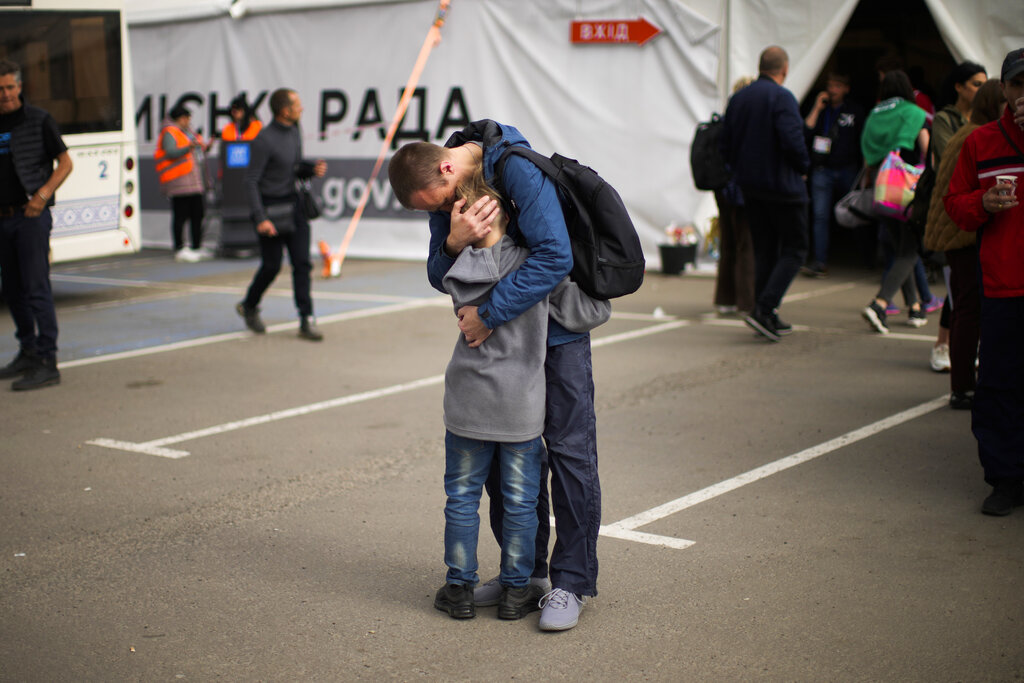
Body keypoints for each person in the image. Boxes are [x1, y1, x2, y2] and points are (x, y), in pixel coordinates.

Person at [388, 118, 601, 631]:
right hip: (504, 341)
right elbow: (439, 275)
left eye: (438, 205)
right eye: (435, 212)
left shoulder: (518, 169)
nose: (442, 213)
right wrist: (454, 241)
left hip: (556, 334)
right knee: (509, 459)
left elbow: (555, 256)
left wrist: (489, 312)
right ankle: (523, 576)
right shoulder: (444, 189)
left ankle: (570, 583)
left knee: (569, 453)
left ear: (446, 167)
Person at [432, 166, 609, 621]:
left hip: (467, 404)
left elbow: (442, 270)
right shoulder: (534, 269)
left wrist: (455, 242)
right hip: (519, 407)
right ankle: (517, 589)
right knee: (522, 500)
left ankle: (460, 585)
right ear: (509, 215)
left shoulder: (458, 268)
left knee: (463, 498)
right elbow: (591, 310)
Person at [943, 48, 1024, 516]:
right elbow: (955, 204)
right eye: (1017, 85)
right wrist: (983, 204)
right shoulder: (981, 142)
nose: (1023, 94)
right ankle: (1005, 479)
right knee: (999, 386)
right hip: (1003, 284)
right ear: (1005, 90)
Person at [719, 46, 810, 342]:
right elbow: (792, 139)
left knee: (766, 249)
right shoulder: (782, 97)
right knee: (796, 248)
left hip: (751, 188)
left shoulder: (739, 98)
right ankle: (765, 307)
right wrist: (804, 166)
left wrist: (740, 170)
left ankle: (765, 313)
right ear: (784, 69)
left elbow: (725, 143)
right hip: (784, 187)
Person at [924, 80, 1004, 408]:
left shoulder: (968, 132)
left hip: (958, 232)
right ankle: (963, 387)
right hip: (964, 234)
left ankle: (964, 385)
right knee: (968, 309)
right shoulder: (978, 136)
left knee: (963, 307)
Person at [0, 59, 73, 391]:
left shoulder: (39, 120)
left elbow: (66, 162)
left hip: (30, 217)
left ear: (19, 87)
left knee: (36, 287)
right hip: (2, 218)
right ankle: (28, 349)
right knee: (12, 289)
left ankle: (48, 359)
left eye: (10, 87)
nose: (5, 95)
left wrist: (42, 195)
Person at [236, 88, 326, 341]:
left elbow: (292, 168)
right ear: (285, 111)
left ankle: (306, 320)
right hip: (271, 211)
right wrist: (260, 217)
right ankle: (249, 305)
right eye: (297, 104)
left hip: (294, 207)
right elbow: (251, 181)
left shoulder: (295, 132)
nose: (302, 108)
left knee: (302, 264)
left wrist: (309, 169)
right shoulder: (263, 140)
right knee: (272, 266)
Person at [925, 61, 988, 377]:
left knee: (965, 292)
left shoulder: (980, 124)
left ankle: (959, 351)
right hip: (953, 214)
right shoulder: (947, 120)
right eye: (975, 83)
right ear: (959, 87)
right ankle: (942, 345)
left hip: (975, 214)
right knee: (961, 290)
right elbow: (950, 161)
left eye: (983, 84)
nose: (979, 89)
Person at [860, 70, 931, 333]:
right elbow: (926, 150)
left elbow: (866, 155)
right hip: (908, 189)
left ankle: (914, 307)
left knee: (901, 248)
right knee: (910, 250)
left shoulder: (874, 114)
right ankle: (879, 304)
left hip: (883, 189)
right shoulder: (913, 113)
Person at [801, 72, 865, 278]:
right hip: (822, 169)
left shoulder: (854, 111)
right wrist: (817, 108)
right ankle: (820, 261)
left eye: (837, 85)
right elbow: (806, 131)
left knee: (856, 212)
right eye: (830, 85)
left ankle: (865, 256)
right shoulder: (821, 109)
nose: (832, 90)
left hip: (847, 167)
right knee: (820, 216)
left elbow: (862, 139)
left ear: (846, 89)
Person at [712, 76, 755, 315]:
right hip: (739, 188)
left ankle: (724, 298)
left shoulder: (726, 119)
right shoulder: (746, 121)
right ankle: (747, 301)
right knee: (746, 244)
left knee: (728, 242)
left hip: (722, 187)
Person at [156, 103, 213, 263]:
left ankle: (196, 246)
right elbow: (170, 152)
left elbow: (196, 151)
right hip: (178, 182)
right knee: (180, 216)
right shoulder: (169, 132)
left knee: (197, 214)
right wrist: (189, 146)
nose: (189, 121)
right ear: (180, 118)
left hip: (194, 182)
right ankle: (179, 248)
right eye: (187, 118)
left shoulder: (188, 132)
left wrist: (205, 146)